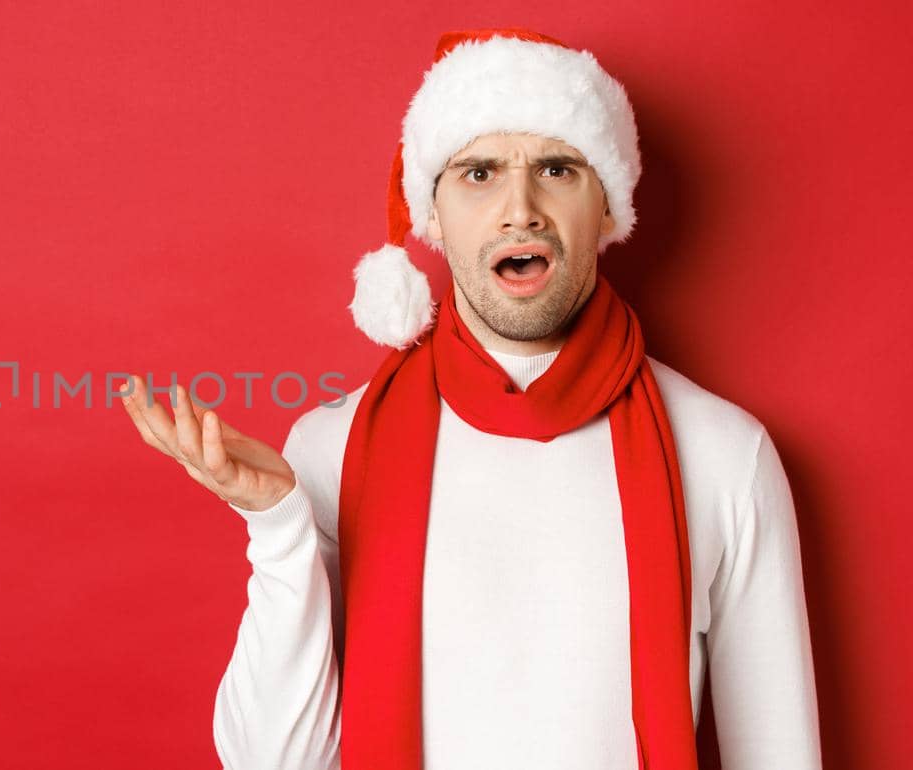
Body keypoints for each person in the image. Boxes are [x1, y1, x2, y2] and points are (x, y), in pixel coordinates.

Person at [117, 27, 822, 770]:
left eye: (557, 168)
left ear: (608, 208)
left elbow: (779, 752)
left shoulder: (722, 454)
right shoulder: (333, 446)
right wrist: (280, 528)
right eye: (478, 174)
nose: (521, 209)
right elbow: (271, 761)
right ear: (433, 215)